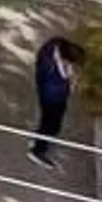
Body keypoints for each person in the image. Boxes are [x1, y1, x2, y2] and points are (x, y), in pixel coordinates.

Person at [31, 33, 83, 166]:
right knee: (50, 122)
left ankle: (41, 138)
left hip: (48, 93)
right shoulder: (52, 71)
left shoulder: (55, 45)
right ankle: (38, 150)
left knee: (50, 120)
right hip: (52, 98)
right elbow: (63, 84)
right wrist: (69, 81)